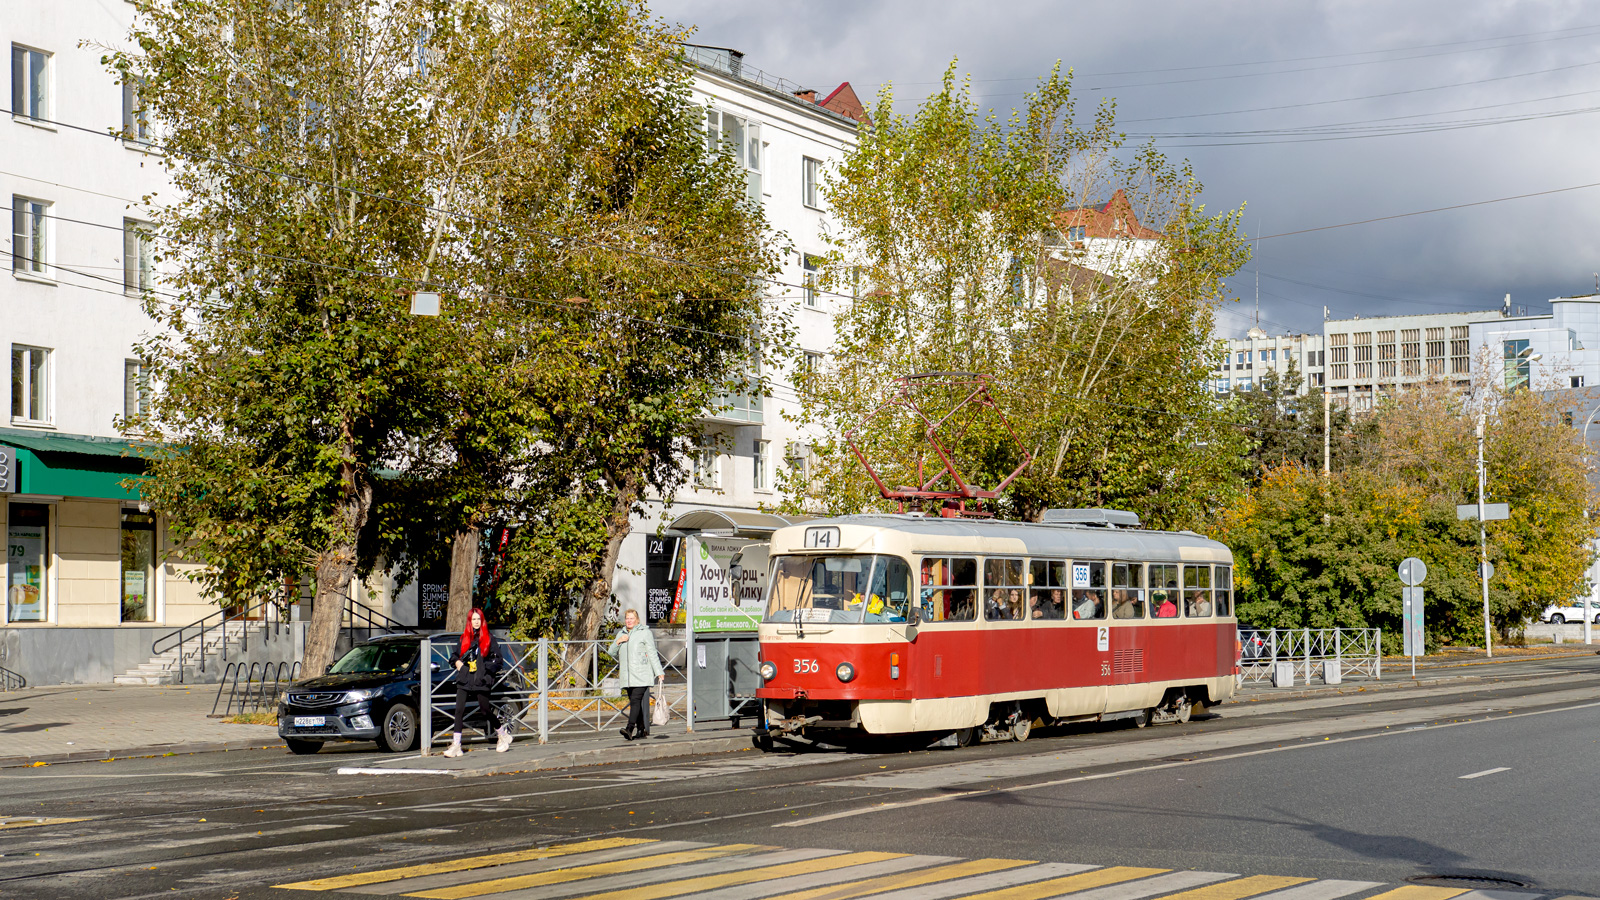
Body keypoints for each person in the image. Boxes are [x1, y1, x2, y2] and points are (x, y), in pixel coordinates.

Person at [444, 607, 511, 758]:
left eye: (478, 619)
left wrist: (486, 670)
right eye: (473, 619)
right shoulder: (464, 638)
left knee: (485, 710)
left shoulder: (489, 638)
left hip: (481, 679)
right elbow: (454, 656)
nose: (476, 622)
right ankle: (456, 745)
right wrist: (459, 664)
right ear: (469, 621)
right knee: (459, 710)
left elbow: (498, 659)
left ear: (482, 621)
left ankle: (502, 734)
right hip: (465, 678)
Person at [610, 609, 664, 741]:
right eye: (627, 618)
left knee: (635, 701)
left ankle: (629, 729)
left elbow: (652, 653)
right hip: (627, 676)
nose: (629, 621)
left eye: (631, 618)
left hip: (642, 674)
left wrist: (659, 672)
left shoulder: (645, 633)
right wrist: (619, 641)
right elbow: (611, 652)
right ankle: (641, 729)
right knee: (636, 703)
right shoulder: (621, 634)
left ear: (637, 620)